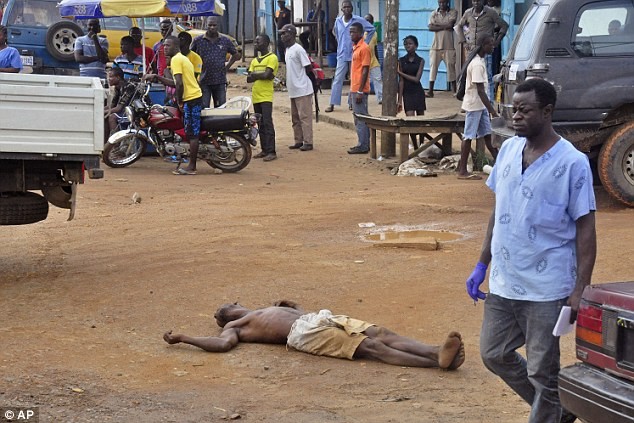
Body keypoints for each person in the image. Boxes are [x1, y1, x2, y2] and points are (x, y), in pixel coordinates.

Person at [466, 77, 597, 423]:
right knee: (493, 353)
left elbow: (585, 227)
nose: (516, 116)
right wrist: (482, 264)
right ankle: (557, 409)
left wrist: (580, 286)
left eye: (525, 110)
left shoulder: (572, 163)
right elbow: (500, 208)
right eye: (513, 109)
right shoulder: (509, 150)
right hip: (504, 281)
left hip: (547, 288)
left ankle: (548, 411)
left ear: (547, 111)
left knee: (542, 371)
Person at [163, 300, 466, 370]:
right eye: (230, 306)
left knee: (378, 332)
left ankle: (434, 351)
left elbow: (288, 312)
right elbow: (221, 345)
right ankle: (433, 363)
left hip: (315, 319)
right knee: (370, 348)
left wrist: (291, 305)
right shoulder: (235, 327)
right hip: (303, 335)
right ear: (227, 315)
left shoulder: (266, 307)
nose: (236, 304)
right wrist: (185, 338)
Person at [457, 34, 498, 180]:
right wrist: (493, 111)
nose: (493, 47)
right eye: (490, 44)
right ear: (483, 46)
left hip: (480, 106)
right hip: (474, 105)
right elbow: (480, 91)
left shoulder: (479, 62)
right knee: (468, 137)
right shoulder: (477, 65)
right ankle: (462, 170)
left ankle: (500, 163)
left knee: (487, 135)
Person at [325, 0, 374, 113]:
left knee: (354, 78)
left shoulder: (358, 20)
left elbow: (371, 29)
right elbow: (335, 32)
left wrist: (364, 42)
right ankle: (332, 104)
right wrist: (340, 43)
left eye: (349, 7)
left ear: (352, 8)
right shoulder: (338, 21)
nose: (347, 9)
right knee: (338, 79)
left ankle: (351, 102)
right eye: (345, 7)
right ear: (342, 9)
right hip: (342, 54)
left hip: (355, 53)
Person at [163, 36, 203, 176]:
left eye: (168, 45)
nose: (165, 48)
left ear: (176, 46)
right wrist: (157, 77)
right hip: (193, 97)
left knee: (193, 134)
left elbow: (179, 84)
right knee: (190, 131)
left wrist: (179, 101)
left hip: (191, 99)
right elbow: (177, 82)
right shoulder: (182, 59)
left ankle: (192, 167)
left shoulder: (176, 60)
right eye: (164, 46)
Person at [455, 0, 508, 100]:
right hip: (471, 50)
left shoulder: (491, 12)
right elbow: (459, 26)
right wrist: (464, 42)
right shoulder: (468, 13)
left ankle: (490, 102)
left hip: (485, 51)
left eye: (478, 1)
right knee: (469, 76)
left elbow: (504, 26)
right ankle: (468, 101)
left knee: (487, 77)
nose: (476, 3)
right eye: (474, 1)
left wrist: (497, 41)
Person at [191, 16, 241, 109]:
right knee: (204, 108)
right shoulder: (198, 41)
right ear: (206, 25)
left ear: (218, 26)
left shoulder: (225, 40)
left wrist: (227, 66)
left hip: (220, 81)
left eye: (214, 25)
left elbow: (236, 54)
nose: (212, 27)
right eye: (210, 25)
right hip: (204, 81)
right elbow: (190, 55)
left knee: (221, 109)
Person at [278, 24, 315, 152]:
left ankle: (308, 142)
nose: (282, 36)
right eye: (281, 34)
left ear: (292, 34)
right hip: (293, 89)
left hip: (303, 89)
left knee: (304, 117)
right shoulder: (287, 50)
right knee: (295, 118)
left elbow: (308, 67)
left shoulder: (298, 49)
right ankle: (298, 140)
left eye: (284, 33)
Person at [247, 34, 279, 162]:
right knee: (260, 124)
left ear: (266, 43)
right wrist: (258, 75)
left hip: (266, 96)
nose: (255, 44)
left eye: (258, 42)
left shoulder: (272, 58)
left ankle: (271, 151)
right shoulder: (254, 60)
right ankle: (264, 149)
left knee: (267, 122)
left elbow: (268, 75)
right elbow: (249, 78)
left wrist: (255, 74)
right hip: (256, 96)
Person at [346, 22, 371, 155]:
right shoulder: (355, 47)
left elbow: (365, 70)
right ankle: (364, 143)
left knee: (361, 118)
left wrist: (360, 90)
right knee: (359, 117)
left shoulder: (364, 48)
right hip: (354, 87)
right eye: (350, 32)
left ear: (361, 33)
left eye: (354, 32)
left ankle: (363, 145)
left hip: (360, 89)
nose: (351, 34)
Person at [397, 35, 425, 149]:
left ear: (416, 45)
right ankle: (415, 147)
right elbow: (401, 82)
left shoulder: (421, 60)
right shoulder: (401, 60)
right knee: (410, 121)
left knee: (421, 121)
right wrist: (399, 100)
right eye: (406, 44)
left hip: (418, 92)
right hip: (407, 93)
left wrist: (400, 73)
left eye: (410, 44)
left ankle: (422, 144)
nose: (408, 46)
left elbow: (416, 79)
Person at [427, 0, 457, 97]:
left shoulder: (453, 12)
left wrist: (437, 25)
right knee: (433, 68)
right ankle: (430, 91)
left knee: (451, 68)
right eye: (440, 2)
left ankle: (454, 91)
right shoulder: (434, 13)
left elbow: (451, 25)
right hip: (435, 46)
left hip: (449, 46)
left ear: (447, 2)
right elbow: (430, 28)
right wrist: (445, 26)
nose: (442, 5)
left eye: (444, 2)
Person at [103, 67, 136, 142]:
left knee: (112, 117)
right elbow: (112, 106)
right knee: (105, 116)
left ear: (118, 77)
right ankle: (105, 143)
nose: (108, 79)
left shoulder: (128, 87)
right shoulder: (117, 88)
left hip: (133, 113)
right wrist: (99, 109)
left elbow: (118, 108)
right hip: (125, 111)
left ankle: (117, 143)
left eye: (111, 76)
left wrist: (102, 112)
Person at [364, 14, 382, 105]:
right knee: (362, 81)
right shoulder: (361, 33)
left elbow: (375, 47)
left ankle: (380, 98)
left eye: (369, 21)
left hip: (373, 60)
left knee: (378, 79)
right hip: (363, 62)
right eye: (366, 20)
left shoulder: (374, 33)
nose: (368, 23)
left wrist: (378, 60)